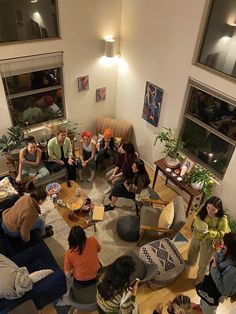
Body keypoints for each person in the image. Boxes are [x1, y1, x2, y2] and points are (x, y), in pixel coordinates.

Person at [187, 196, 230, 284]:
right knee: (192, 250)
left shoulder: (222, 219)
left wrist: (209, 232)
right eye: (208, 208)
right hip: (197, 235)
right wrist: (199, 224)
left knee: (204, 263)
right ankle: (190, 263)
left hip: (208, 242)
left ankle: (200, 280)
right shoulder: (203, 207)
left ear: (218, 209)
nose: (209, 211)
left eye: (213, 210)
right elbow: (197, 217)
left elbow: (222, 233)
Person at [199, 232, 236, 314]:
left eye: (224, 242)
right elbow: (221, 259)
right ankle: (202, 306)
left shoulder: (232, 270)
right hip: (211, 285)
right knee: (203, 300)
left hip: (215, 293)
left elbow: (223, 290)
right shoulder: (227, 252)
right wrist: (218, 252)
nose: (221, 241)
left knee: (208, 309)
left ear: (229, 247)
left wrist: (214, 267)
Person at [64, 226, 101, 300]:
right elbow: (99, 249)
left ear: (70, 239)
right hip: (98, 274)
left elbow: (67, 275)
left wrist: (72, 271)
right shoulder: (92, 240)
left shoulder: (68, 253)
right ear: (84, 235)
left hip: (81, 281)